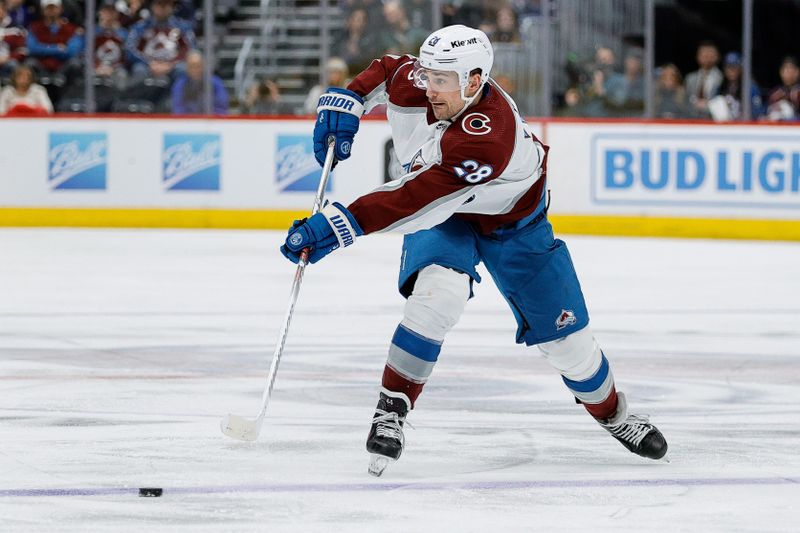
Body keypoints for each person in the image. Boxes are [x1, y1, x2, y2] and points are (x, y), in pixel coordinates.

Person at [280, 25, 668, 476]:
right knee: (437, 297)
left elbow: (415, 200)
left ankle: (615, 415)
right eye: (428, 74)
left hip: (513, 225)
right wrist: (347, 101)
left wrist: (336, 226)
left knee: (569, 344)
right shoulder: (426, 80)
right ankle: (392, 409)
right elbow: (387, 70)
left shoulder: (489, 137)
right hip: (449, 216)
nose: (428, 87)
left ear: (474, 79)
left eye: (442, 79)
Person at [26, 0, 84, 83]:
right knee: (30, 63)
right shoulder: (34, 27)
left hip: (63, 68)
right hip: (41, 67)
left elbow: (72, 51)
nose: (51, 11)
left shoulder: (72, 28)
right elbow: (32, 48)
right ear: (42, 10)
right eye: (48, 8)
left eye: (54, 8)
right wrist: (57, 48)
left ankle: (69, 94)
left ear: (61, 9)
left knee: (75, 63)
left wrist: (43, 48)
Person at [170, 49, 228, 114]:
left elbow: (222, 107)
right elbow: (178, 107)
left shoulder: (215, 83)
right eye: (192, 66)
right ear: (187, 67)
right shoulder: (180, 84)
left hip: (210, 121)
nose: (195, 69)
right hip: (187, 122)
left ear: (203, 66)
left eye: (198, 66)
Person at [684, 40, 723, 119]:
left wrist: (707, 106)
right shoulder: (690, 78)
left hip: (714, 120)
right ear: (698, 56)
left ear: (717, 56)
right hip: (692, 119)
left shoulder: (722, 78)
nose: (707, 56)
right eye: (704, 53)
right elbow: (686, 101)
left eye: (710, 53)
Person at [763, 55, 800, 122]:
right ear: (781, 72)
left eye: (791, 69)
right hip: (776, 129)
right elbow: (764, 112)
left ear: (797, 72)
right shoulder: (775, 93)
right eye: (786, 69)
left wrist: (788, 120)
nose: (788, 73)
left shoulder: (798, 93)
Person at [0, 1, 28, 80]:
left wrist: (7, 58)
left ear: (4, 10)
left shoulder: (16, 28)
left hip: (8, 63)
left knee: (14, 65)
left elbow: (23, 51)